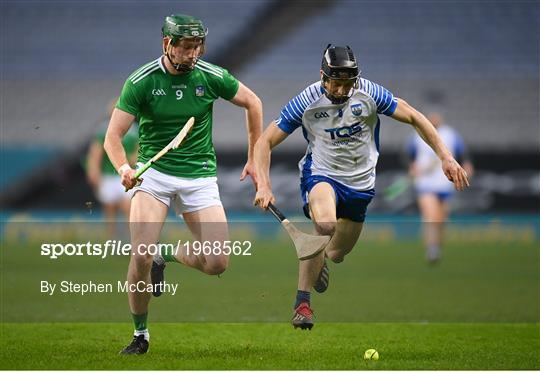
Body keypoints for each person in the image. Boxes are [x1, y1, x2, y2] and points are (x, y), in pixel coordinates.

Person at [253, 45, 469, 330]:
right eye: (336, 83)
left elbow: (414, 116)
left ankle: (320, 259)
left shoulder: (369, 93)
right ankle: (302, 304)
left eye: (347, 83)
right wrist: (264, 184)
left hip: (360, 185)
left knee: (336, 253)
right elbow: (264, 141)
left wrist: (446, 156)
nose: (342, 90)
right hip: (321, 175)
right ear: (323, 77)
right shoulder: (307, 100)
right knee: (325, 225)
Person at [104, 14, 262, 354]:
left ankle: (167, 255)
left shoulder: (211, 76)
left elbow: (253, 103)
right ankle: (140, 334)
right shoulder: (141, 81)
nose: (193, 54)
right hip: (153, 177)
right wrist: (122, 167)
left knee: (217, 262)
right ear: (167, 44)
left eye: (197, 47)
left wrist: (254, 158)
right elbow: (112, 137)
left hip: (199, 176)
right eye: (187, 47)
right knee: (140, 255)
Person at [406, 111, 473, 263]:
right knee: (431, 217)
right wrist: (413, 168)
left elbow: (463, 155)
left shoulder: (451, 134)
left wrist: (467, 167)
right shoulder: (417, 134)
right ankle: (432, 249)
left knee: (441, 219)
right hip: (425, 184)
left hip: (445, 183)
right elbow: (409, 157)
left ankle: (436, 246)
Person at [86, 99, 138, 237]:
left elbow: (138, 152)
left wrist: (134, 161)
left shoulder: (134, 130)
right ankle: (112, 240)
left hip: (126, 174)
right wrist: (93, 170)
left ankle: (133, 241)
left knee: (128, 208)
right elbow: (96, 152)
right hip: (108, 175)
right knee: (110, 210)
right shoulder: (104, 130)